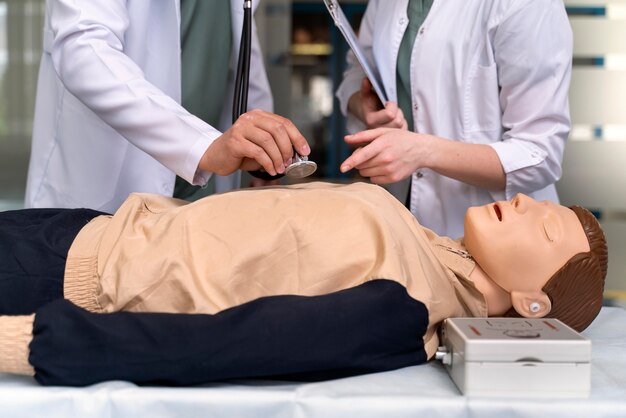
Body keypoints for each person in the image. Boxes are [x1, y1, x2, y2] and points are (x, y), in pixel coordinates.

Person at [0, 182, 607, 386]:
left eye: (547, 227)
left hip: (57, 278)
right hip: (82, 229)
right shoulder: (425, 244)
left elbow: (229, 345)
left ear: (532, 304)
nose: (526, 200)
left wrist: (37, 342)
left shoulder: (403, 312)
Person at [25, 0, 308, 213]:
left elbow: (239, 41)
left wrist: (264, 148)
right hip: (112, 191)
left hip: (203, 186)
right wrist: (203, 147)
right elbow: (84, 48)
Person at [336, 0, 573, 238]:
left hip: (500, 241)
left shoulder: (527, 5)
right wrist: (362, 104)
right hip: (404, 223)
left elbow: (538, 154)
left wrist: (423, 152)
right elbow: (357, 68)